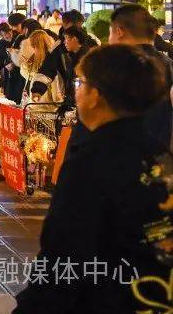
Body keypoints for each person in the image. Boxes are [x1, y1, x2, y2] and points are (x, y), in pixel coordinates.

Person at [14, 45, 172, 312]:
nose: (77, 91)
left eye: (80, 82)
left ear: (96, 95)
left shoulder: (91, 162)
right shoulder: (160, 155)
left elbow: (63, 255)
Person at [108, 3, 173, 87]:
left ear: (119, 32)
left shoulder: (112, 67)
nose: (109, 40)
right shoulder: (169, 65)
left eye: (110, 33)